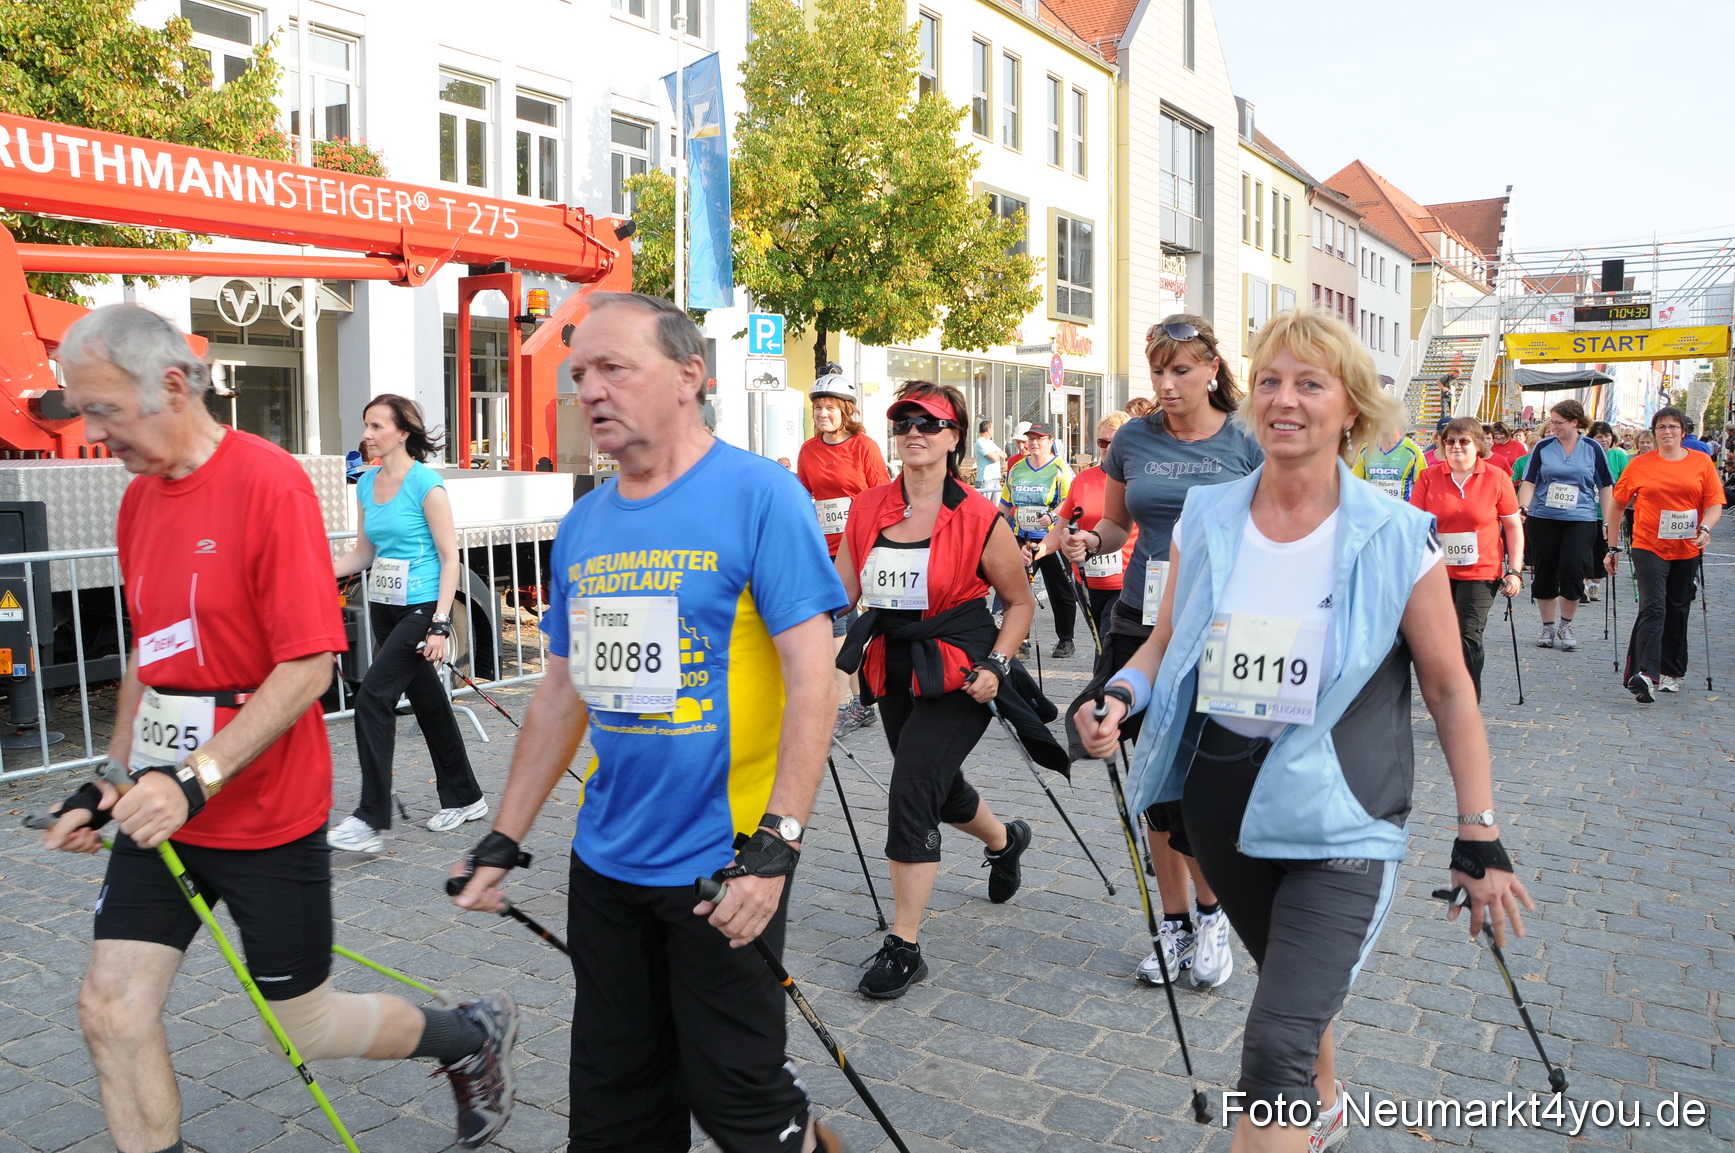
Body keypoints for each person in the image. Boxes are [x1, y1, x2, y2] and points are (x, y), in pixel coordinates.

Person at [45, 304, 515, 1153]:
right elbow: (150, 657)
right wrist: (111, 776)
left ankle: (467, 1034)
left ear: (174, 386)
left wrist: (195, 779)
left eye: (105, 407)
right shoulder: (137, 501)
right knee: (108, 1008)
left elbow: (307, 667)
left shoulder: (266, 482)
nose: (94, 429)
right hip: (162, 809)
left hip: (262, 810)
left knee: (304, 1025)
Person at [1076, 309, 1533, 1153]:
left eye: (1310, 383)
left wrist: (1480, 831)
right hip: (1223, 808)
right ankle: (1326, 1096)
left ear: (1350, 407)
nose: (1285, 400)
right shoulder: (1208, 517)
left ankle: (1299, 1093)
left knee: (1271, 1045)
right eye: (1272, 381)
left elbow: (1446, 688)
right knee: (1284, 984)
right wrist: (1119, 695)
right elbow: (1166, 640)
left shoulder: (1397, 537)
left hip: (1340, 818)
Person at [450, 293, 848, 1153]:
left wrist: (777, 845)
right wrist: (503, 837)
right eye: (580, 373)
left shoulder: (759, 495)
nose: (589, 389)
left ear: (688, 378)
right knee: (614, 1100)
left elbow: (816, 684)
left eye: (613, 368)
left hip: (723, 864)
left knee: (738, 1099)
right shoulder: (585, 524)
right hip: (606, 861)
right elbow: (562, 694)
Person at [1060, 314, 1263, 991]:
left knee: (1197, 789)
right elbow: (1119, 522)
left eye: (1180, 369)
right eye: (1157, 370)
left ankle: (1212, 916)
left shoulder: (1246, 438)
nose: (1167, 383)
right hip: (1139, 624)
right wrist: (1092, 542)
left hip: (1217, 631)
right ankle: (1172, 923)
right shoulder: (1134, 439)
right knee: (1151, 781)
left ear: (1210, 368)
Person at [834, 380, 1054, 1000]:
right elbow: (838, 593)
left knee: (911, 788)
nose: (913, 432)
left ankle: (903, 946)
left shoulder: (980, 515)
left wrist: (998, 664)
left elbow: (1016, 604)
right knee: (933, 782)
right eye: (903, 421)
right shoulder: (869, 506)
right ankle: (1006, 840)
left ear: (954, 436)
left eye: (928, 423)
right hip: (895, 667)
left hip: (961, 670)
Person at [329, 396, 487, 854]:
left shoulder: (426, 485)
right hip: (384, 605)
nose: (368, 433)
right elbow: (363, 553)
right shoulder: (366, 484)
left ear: (402, 433)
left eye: (377, 425)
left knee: (373, 697)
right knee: (429, 701)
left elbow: (449, 558)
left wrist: (440, 624)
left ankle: (371, 817)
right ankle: (466, 796)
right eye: (366, 425)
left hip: (420, 607)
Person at [796, 366, 891, 738]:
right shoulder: (808, 450)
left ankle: (844, 705)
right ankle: (861, 702)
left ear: (847, 411)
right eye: (818, 408)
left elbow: (882, 496)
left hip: (859, 546)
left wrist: (876, 542)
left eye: (830, 408)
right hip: (824, 547)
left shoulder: (863, 447)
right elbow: (804, 496)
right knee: (844, 624)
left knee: (838, 622)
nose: (823, 414)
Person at [1609, 407, 1723, 702]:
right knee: (1654, 606)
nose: (1667, 431)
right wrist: (1612, 546)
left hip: (1687, 546)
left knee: (1677, 606)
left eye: (1673, 426)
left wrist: (1706, 528)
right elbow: (1618, 504)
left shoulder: (1700, 462)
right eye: (1661, 427)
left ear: (1683, 431)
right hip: (1648, 545)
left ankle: (1672, 671)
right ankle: (1646, 673)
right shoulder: (1639, 465)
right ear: (1654, 432)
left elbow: (1714, 504)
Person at [1409, 417, 1524, 699]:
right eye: (1450, 441)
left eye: (1463, 441)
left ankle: (1466, 701)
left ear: (1478, 446)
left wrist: (1515, 570)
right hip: (1435, 572)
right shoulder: (1429, 477)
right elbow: (1413, 524)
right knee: (1439, 639)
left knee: (1467, 636)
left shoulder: (1496, 477)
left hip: (1481, 571)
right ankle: (1444, 692)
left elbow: (1512, 525)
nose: (1456, 446)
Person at [1032, 412, 1139, 641]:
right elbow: (1061, 526)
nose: (1108, 448)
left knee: (1109, 645)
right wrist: (1039, 550)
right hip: (1087, 582)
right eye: (1103, 442)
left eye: (1115, 442)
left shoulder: (1138, 480)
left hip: (1126, 583)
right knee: (1100, 643)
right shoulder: (1083, 479)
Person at [1518, 399, 1615, 651]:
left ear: (1575, 422)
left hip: (1580, 518)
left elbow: (1605, 486)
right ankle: (1548, 626)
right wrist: (1524, 506)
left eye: (1559, 422)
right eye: (1551, 421)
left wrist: (1608, 521)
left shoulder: (1592, 448)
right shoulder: (1543, 447)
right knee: (1545, 569)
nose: (1553, 427)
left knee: (1572, 569)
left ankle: (1566, 624)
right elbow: (1529, 480)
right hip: (1543, 517)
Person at [1001, 420, 1077, 658]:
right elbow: (1005, 503)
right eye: (1031, 438)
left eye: (1040, 439)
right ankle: (1020, 640)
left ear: (1050, 442)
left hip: (1051, 539)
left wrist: (1053, 515)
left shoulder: (1060, 468)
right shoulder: (1017, 468)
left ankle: (1066, 639)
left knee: (1060, 590)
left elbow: (1071, 499)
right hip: (1021, 539)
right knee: (1017, 591)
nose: (1034, 443)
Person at [1581, 421, 1630, 604]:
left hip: (1608, 513)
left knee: (1602, 549)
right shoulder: (1585, 454)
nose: (1603, 440)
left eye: (1606, 436)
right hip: (1586, 511)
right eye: (1599, 436)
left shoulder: (1618, 456)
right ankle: (1582, 585)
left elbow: (1626, 482)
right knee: (1583, 549)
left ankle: (1595, 585)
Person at [1351, 426, 1427, 501]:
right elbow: (1355, 486)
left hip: (1401, 511)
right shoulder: (1364, 451)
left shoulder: (1413, 451)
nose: (1386, 422)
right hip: (1373, 510)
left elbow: (1423, 488)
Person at [974, 417, 1006, 500]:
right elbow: (994, 458)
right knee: (985, 504)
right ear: (988, 429)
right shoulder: (980, 443)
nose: (993, 431)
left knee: (997, 505)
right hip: (986, 478)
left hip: (995, 477)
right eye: (992, 429)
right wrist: (998, 454)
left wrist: (996, 454)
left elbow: (1004, 454)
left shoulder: (990, 442)